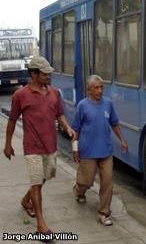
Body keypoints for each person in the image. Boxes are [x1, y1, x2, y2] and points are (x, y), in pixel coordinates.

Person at [3, 55, 76, 238]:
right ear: (34, 75)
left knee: (45, 177)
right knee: (37, 183)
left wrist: (68, 127)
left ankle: (26, 200)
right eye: (45, 74)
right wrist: (8, 144)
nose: (48, 77)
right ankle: (41, 225)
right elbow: (12, 121)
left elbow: (59, 115)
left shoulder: (54, 93)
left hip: (50, 145)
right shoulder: (20, 95)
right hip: (32, 147)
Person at [71, 74, 128, 226]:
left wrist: (122, 140)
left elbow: (114, 123)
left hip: (106, 152)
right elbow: (75, 129)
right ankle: (79, 189)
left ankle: (104, 213)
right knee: (86, 181)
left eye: (101, 87)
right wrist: (75, 148)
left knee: (107, 182)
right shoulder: (82, 106)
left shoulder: (108, 104)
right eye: (96, 88)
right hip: (88, 151)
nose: (100, 90)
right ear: (89, 90)